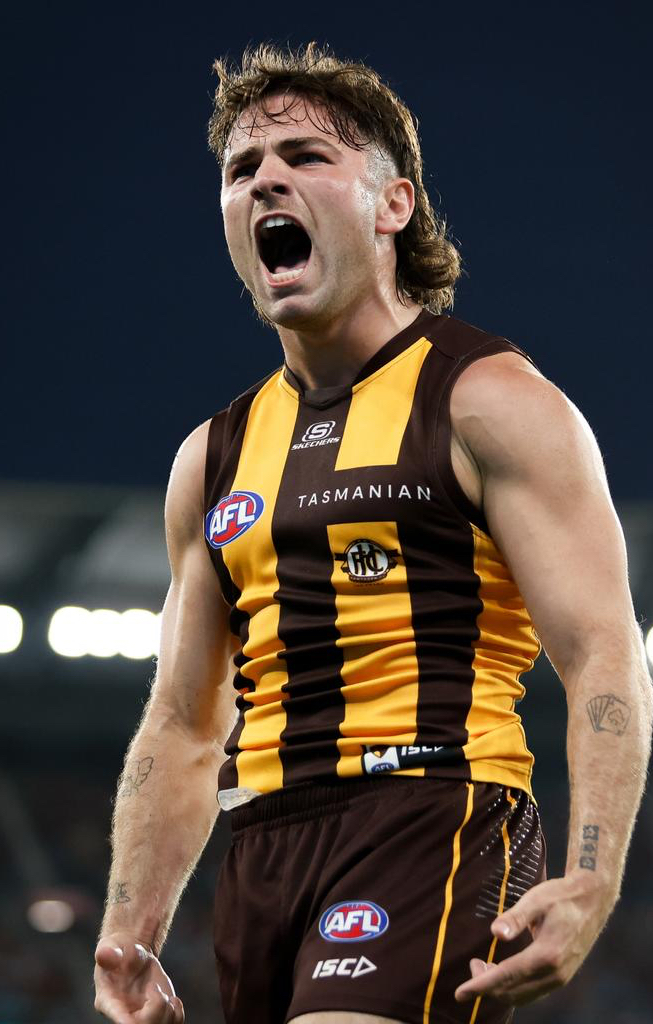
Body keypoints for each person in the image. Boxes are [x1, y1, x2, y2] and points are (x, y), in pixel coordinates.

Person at [93, 43, 652, 1024]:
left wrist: (591, 874)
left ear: (393, 205)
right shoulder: (211, 458)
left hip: (434, 813)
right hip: (262, 851)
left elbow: (602, 647)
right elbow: (182, 723)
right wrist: (127, 934)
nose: (266, 178)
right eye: (241, 168)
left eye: (306, 156)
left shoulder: (486, 401)